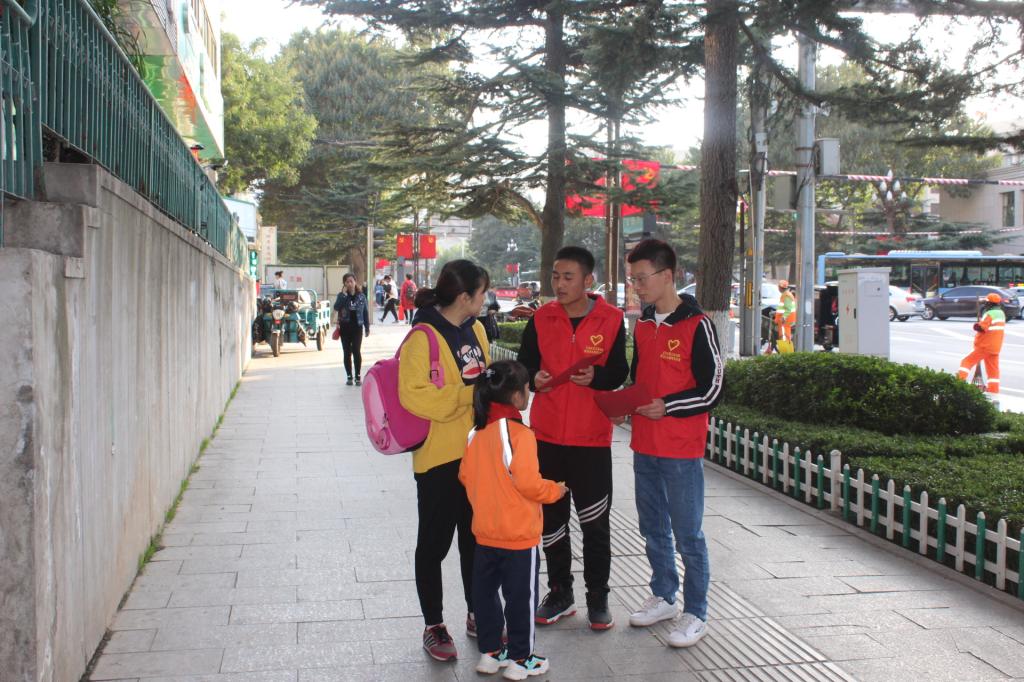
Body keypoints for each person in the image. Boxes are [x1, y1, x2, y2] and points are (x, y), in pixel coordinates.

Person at [516, 246, 629, 630]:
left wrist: (597, 377)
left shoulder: (612, 319)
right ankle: (560, 593)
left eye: (568, 277)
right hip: (546, 437)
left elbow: (619, 371)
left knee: (595, 524)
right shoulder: (541, 318)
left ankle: (598, 598)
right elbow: (524, 364)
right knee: (552, 522)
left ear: (587, 280)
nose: (560, 284)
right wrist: (534, 378)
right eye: (555, 276)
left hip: (591, 439)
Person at [624, 238, 723, 649]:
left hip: (681, 449)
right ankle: (664, 596)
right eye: (633, 279)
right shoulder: (644, 323)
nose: (636, 286)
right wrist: (624, 404)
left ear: (667, 276)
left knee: (688, 535)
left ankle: (696, 612)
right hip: (644, 445)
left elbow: (712, 388)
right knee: (652, 528)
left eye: (641, 278)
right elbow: (639, 378)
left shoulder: (697, 325)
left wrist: (668, 406)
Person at [398, 259, 492, 662]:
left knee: (475, 540)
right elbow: (413, 396)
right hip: (438, 460)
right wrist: (467, 395)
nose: (485, 299)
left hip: (478, 454)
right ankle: (433, 624)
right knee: (434, 545)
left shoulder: (478, 330)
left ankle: (477, 611)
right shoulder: (423, 337)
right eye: (482, 292)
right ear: (465, 296)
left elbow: (485, 381)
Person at [460, 360, 568, 679]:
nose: (529, 394)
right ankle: (522, 659)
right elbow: (529, 483)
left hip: (485, 534)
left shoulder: (475, 433)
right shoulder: (520, 434)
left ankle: (491, 653)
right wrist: (555, 490)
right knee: (521, 598)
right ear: (517, 396)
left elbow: (465, 476)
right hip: (519, 537)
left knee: (485, 595)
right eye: (527, 388)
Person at [958, 292, 1005, 394]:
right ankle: (993, 390)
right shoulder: (1001, 313)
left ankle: (958, 384)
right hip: (995, 347)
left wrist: (976, 325)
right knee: (993, 370)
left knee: (966, 362)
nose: (985, 304)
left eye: (986, 303)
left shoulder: (989, 314)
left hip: (984, 346)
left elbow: (982, 328)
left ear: (990, 303)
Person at [333, 273, 370, 386]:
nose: (349, 283)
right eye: (347, 281)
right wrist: (344, 295)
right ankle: (349, 376)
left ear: (355, 282)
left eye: (351, 281)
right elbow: (336, 307)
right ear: (344, 283)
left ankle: (358, 376)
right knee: (346, 352)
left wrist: (367, 327)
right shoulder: (341, 296)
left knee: (356, 351)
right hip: (345, 328)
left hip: (357, 328)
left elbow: (365, 312)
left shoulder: (361, 296)